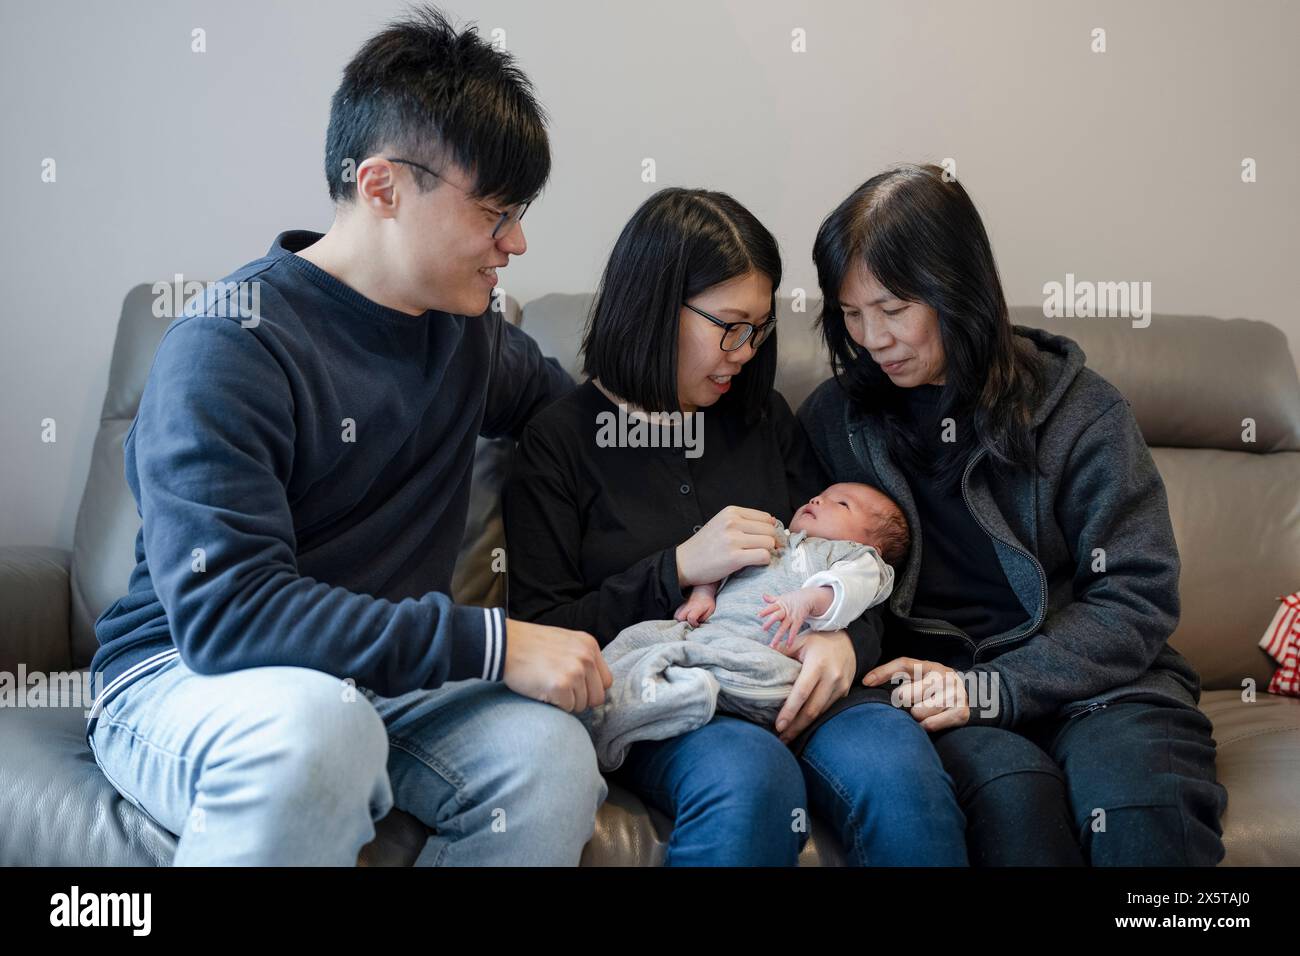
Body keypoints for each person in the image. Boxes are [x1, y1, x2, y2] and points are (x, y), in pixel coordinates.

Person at [84, 6, 611, 866]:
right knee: (317, 732)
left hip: (375, 689)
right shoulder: (231, 343)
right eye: (495, 212)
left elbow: (573, 424)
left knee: (552, 764)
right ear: (382, 187)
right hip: (186, 675)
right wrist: (492, 643)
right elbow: (230, 614)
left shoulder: (467, 333)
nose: (516, 242)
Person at [505, 186, 969, 866]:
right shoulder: (559, 444)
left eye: (758, 329)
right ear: (657, 308)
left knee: (899, 770)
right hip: (674, 695)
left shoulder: (763, 422)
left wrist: (847, 646)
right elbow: (543, 630)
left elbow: (855, 561)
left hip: (798, 687)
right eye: (730, 326)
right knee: (751, 779)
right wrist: (677, 569)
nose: (746, 352)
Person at [798, 162, 1229, 865]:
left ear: (956, 289)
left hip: (1104, 688)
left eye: (894, 308)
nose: (872, 338)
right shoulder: (834, 422)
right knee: (1014, 810)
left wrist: (1001, 687)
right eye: (851, 313)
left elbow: (1136, 596)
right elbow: (814, 575)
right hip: (940, 692)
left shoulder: (1081, 412)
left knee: (1139, 815)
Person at [580, 482, 908, 772]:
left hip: (769, 649)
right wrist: (703, 593)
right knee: (639, 637)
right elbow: (721, 561)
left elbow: (848, 590)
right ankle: (598, 709)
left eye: (842, 503)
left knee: (769, 676)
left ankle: (682, 695)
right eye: (820, 495)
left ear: (874, 545)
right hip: (708, 633)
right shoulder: (775, 534)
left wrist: (809, 599)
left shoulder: (859, 560)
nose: (818, 500)